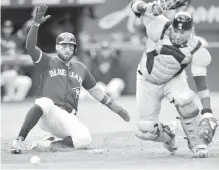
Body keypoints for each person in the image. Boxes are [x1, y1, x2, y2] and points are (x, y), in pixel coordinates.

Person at [11, 5, 130, 154]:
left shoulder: (80, 68)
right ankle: (19, 140)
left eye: (70, 47)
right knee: (44, 101)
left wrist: (116, 108)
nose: (67, 49)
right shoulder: (47, 61)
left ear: (74, 50)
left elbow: (95, 91)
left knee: (84, 139)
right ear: (57, 47)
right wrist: (35, 25)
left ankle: (49, 144)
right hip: (49, 113)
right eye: (63, 46)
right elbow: (30, 46)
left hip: (68, 118)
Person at [131, 0, 218, 158]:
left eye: (182, 32)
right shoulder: (159, 26)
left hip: (173, 79)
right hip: (146, 81)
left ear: (190, 31)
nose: (178, 35)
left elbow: (202, 84)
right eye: (175, 31)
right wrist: (147, 7)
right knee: (146, 128)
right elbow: (135, 6)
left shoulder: (196, 48)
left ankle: (197, 142)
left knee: (186, 102)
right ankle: (168, 134)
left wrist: (207, 111)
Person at [1, 20, 32, 102]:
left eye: (9, 27)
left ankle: (14, 102)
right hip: (2, 74)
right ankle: (8, 97)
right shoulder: (1, 39)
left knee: (26, 81)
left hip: (12, 75)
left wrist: (33, 18)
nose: (7, 29)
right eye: (5, 27)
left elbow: (24, 30)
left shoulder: (15, 38)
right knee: (11, 74)